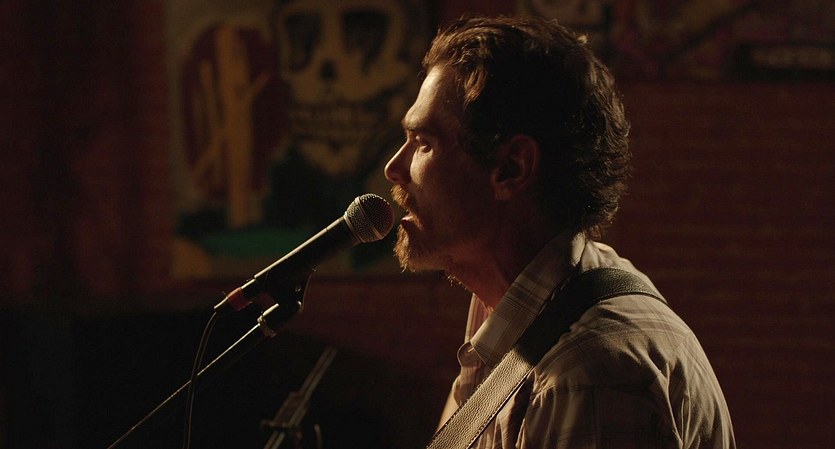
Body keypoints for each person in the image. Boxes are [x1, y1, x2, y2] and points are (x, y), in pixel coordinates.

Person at [383, 15, 735, 449]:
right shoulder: (516, 315)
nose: (394, 169)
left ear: (511, 168)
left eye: (423, 143)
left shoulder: (587, 379)